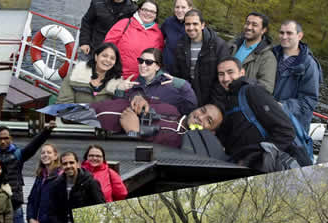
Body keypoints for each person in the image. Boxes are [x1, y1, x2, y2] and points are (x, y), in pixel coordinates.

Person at [214, 57, 308, 170]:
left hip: (266, 164)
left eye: (230, 72)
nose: (225, 78)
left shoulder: (252, 92)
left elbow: (286, 132)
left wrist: (255, 157)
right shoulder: (228, 99)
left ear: (242, 72)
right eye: (221, 74)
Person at [92, 93, 224, 148]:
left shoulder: (180, 144)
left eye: (209, 121)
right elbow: (136, 94)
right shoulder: (171, 108)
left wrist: (133, 132)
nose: (200, 117)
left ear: (211, 133)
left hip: (91, 132)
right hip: (93, 107)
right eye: (202, 111)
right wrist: (138, 97)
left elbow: (139, 156)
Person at [272, 20, 323, 134]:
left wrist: (283, 107)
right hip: (266, 117)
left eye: (289, 33)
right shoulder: (271, 54)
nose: (284, 36)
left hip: (289, 127)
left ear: (299, 36)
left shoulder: (309, 65)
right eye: (281, 32)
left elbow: (309, 101)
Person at [173, 9, 230, 107]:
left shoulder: (218, 45)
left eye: (195, 24)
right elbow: (177, 72)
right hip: (186, 96)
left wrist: (215, 101)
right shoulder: (180, 44)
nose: (191, 28)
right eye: (187, 24)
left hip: (210, 98)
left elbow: (222, 77)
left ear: (202, 25)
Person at [117, 48, 197, 115]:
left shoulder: (170, 85)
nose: (143, 65)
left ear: (157, 67)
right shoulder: (134, 85)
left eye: (149, 62)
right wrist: (120, 90)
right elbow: (119, 108)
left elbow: (191, 108)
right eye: (141, 61)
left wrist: (184, 85)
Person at [104, 0, 164, 79]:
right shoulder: (125, 23)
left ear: (156, 15)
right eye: (145, 10)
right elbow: (107, 46)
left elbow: (158, 58)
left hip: (142, 81)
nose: (148, 13)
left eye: (152, 12)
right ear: (139, 10)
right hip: (118, 76)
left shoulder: (158, 34)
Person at [58, 43, 129, 104]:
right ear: (96, 57)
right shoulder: (76, 73)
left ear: (115, 63)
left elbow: (115, 107)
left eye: (112, 58)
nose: (108, 60)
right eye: (104, 56)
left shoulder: (116, 82)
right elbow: (63, 102)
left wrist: (120, 90)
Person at [228, 12, 277, 93]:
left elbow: (267, 87)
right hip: (220, 96)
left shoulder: (267, 57)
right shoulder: (231, 45)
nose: (249, 27)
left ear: (263, 30)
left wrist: (242, 82)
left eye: (254, 25)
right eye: (247, 23)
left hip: (241, 100)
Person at [161, 0, 193, 75]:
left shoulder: (194, 25)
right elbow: (158, 40)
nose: (179, 10)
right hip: (165, 69)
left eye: (183, 7)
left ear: (190, 8)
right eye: (177, 7)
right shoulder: (168, 22)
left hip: (184, 73)